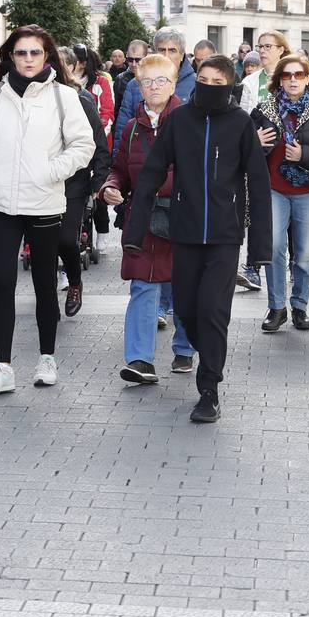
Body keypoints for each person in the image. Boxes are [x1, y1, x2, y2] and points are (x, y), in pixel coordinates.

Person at [124, 56, 271, 422]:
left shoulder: (239, 123)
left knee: (213, 311)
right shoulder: (180, 120)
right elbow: (152, 173)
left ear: (229, 85)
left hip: (224, 236)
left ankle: (209, 389)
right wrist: (134, 230)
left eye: (216, 81)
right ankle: (208, 357)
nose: (207, 85)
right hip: (184, 233)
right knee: (187, 311)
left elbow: (259, 184)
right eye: (201, 79)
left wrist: (260, 250)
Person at [0, 25, 95, 394]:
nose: (27, 59)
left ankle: (46, 357)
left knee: (43, 284)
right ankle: (2, 367)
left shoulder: (62, 97)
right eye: (21, 53)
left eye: (34, 53)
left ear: (46, 55)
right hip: (3, 203)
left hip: (44, 202)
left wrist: (50, 172)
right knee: (3, 284)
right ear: (11, 55)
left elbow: (82, 145)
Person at [99, 54, 193, 380]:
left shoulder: (189, 121)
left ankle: (184, 348)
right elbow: (120, 170)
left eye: (161, 80)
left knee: (184, 287)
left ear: (173, 83)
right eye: (147, 81)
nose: (154, 87)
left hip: (181, 219)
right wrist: (111, 187)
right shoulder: (131, 128)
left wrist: (158, 185)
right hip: (142, 221)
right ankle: (140, 360)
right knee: (142, 286)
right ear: (139, 85)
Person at [251, 53, 309, 333]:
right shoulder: (263, 109)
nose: (293, 80)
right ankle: (277, 307)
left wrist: (305, 154)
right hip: (274, 189)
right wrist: (254, 142)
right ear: (279, 79)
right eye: (287, 75)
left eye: (299, 75)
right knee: (275, 248)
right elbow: (241, 149)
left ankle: (300, 306)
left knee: (304, 254)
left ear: (308, 78)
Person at [57, 51, 112, 315]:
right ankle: (46, 299)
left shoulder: (82, 100)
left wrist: (97, 183)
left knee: (67, 241)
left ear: (73, 67)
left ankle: (75, 282)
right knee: (43, 246)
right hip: (40, 184)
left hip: (74, 184)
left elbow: (100, 145)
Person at [236, 30, 291, 293]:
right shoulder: (250, 82)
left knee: (287, 213)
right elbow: (241, 118)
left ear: (281, 49)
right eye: (260, 46)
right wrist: (251, 137)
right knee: (258, 209)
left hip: (289, 157)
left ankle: (287, 262)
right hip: (258, 157)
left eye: (269, 46)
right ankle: (253, 267)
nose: (263, 50)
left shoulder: (292, 76)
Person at [114, 28, 198, 148]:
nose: (166, 55)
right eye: (162, 50)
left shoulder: (196, 84)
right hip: (140, 158)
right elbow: (122, 129)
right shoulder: (135, 84)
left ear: (181, 55)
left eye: (172, 50)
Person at [72, 44, 116, 251]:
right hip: (75, 145)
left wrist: (98, 131)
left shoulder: (100, 82)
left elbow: (107, 111)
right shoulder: (64, 83)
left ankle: (103, 229)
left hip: (98, 140)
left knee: (98, 192)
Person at [113, 39, 148, 111]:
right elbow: (117, 109)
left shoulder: (155, 76)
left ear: (146, 57)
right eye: (131, 59)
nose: (134, 64)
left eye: (138, 60)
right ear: (127, 56)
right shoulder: (120, 79)